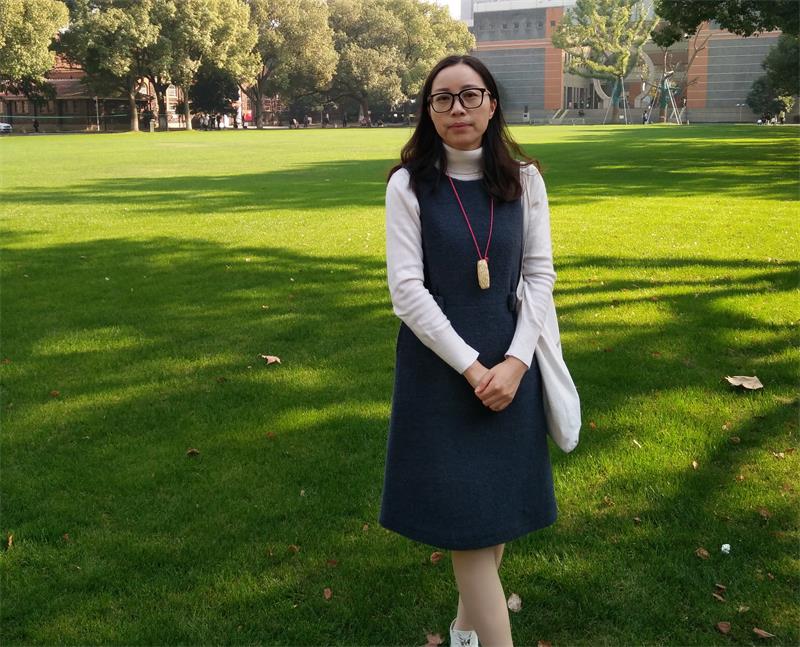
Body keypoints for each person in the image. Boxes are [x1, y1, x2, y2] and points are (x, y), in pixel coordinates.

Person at [380, 54, 560, 647]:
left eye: (470, 95)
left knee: (494, 516)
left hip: (512, 367)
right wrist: (473, 368)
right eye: (443, 98)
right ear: (429, 111)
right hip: (439, 376)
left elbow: (539, 276)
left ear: (492, 103)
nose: (457, 108)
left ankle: (463, 634)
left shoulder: (524, 180)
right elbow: (407, 291)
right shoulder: (409, 185)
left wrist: (516, 363)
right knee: (469, 532)